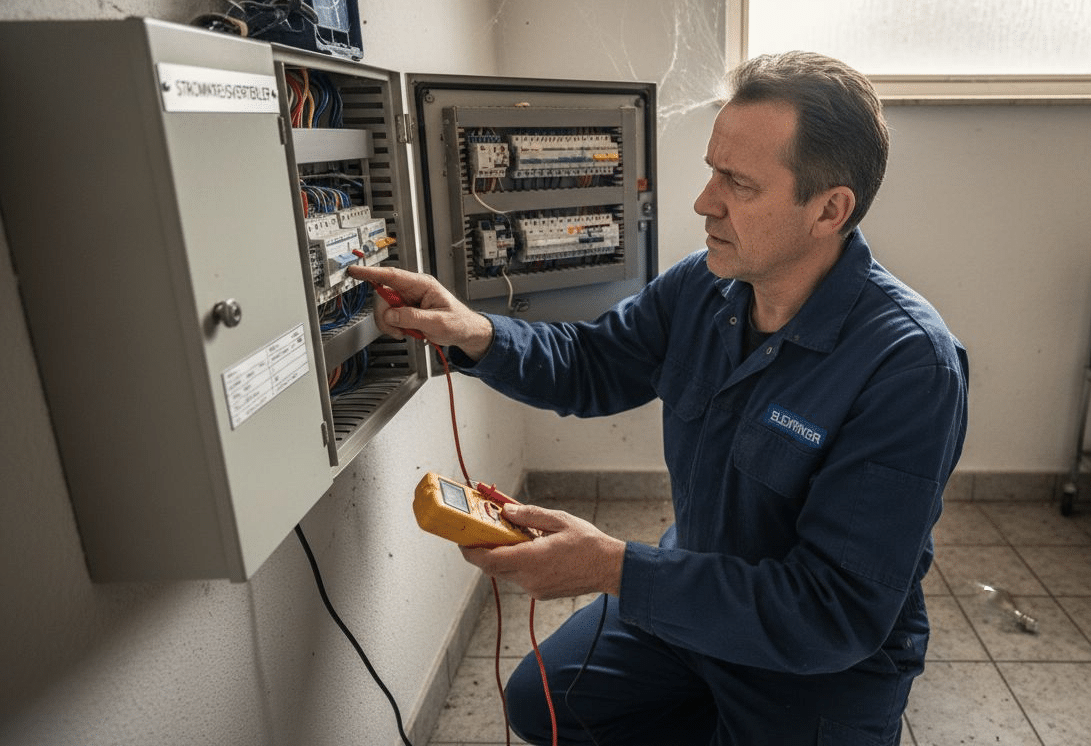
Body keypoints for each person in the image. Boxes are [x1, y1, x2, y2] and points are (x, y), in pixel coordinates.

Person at [349, 50, 968, 746]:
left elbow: (832, 613)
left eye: (737, 182)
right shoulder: (705, 290)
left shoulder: (908, 365)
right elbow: (592, 363)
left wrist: (611, 567)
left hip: (815, 663)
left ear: (829, 210)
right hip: (695, 592)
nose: (705, 201)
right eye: (712, 170)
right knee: (543, 703)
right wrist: (479, 332)